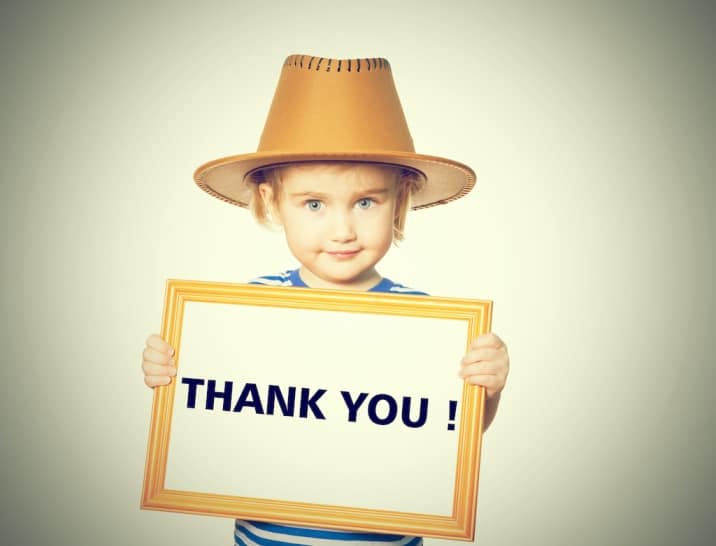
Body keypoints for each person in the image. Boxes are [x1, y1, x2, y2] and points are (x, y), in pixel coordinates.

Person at [141, 54, 509, 546]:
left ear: (399, 201)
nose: (343, 230)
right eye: (314, 204)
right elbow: (213, 418)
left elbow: (445, 440)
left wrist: (486, 393)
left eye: (366, 202)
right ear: (273, 201)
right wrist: (170, 376)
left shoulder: (424, 322)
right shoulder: (245, 312)